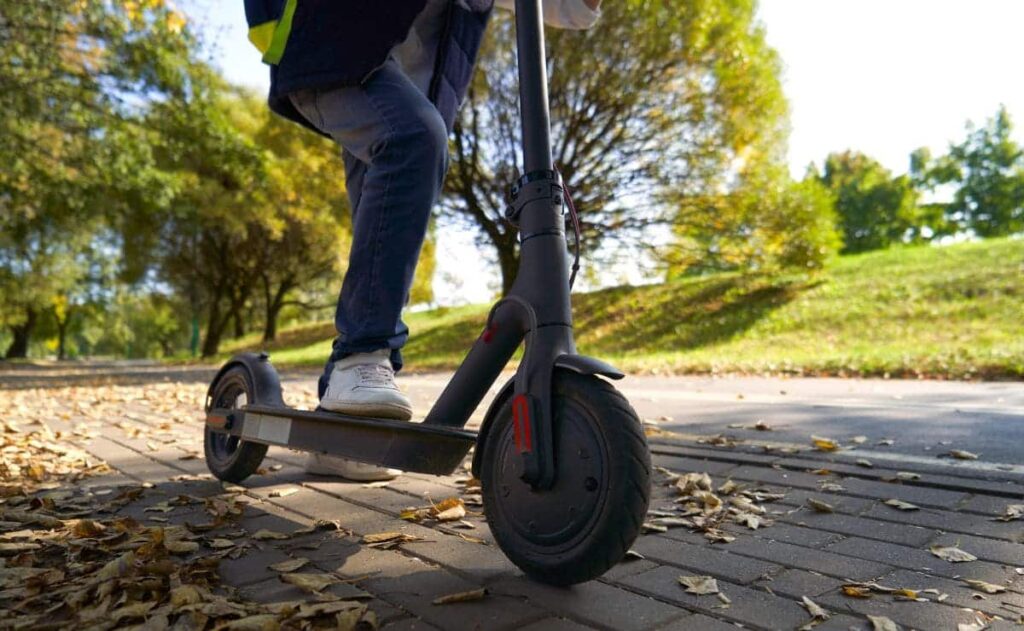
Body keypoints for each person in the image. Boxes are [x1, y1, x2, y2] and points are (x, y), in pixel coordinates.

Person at [244, 0, 601, 480]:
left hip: (402, 88)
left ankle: (339, 422)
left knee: (384, 231)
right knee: (415, 140)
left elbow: (567, 8)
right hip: (332, 50)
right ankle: (360, 358)